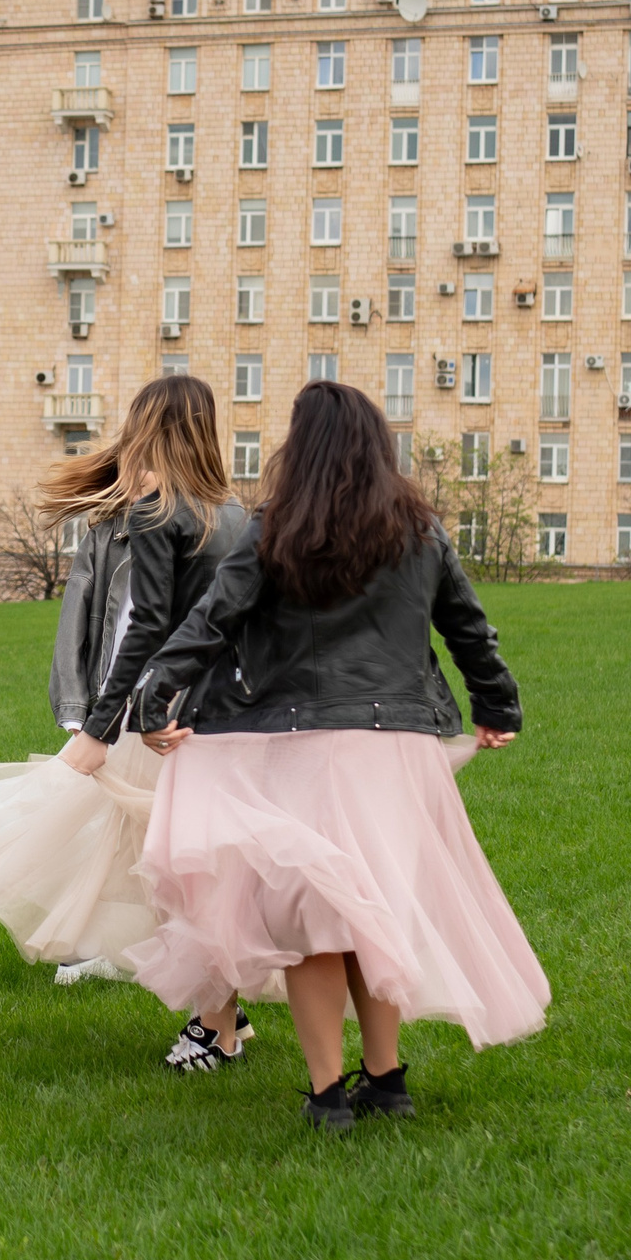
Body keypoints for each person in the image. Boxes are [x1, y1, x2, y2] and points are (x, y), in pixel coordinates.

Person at [127, 380, 546, 1132]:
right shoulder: (420, 532)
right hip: (396, 750)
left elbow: (211, 618)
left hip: (301, 748)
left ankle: (327, 1095)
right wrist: (496, 706)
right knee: (371, 906)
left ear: (301, 446)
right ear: (379, 446)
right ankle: (385, 1081)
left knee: (311, 922)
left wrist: (156, 691)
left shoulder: (273, 531)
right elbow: (469, 629)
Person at [0, 374, 257, 1071]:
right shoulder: (235, 514)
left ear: (150, 430)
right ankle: (223, 1011)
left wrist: (100, 728)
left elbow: (138, 631)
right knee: (199, 869)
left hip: (158, 722)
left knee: (168, 873)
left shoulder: (158, 514)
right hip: (222, 721)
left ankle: (217, 1028)